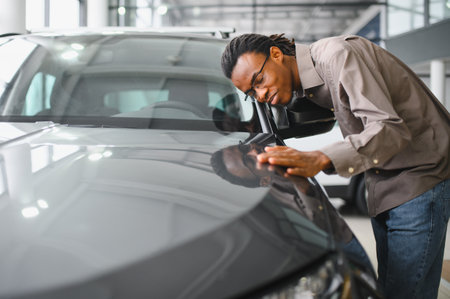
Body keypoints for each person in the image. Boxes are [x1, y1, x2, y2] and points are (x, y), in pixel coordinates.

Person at [221, 33, 450, 299]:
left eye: (259, 81)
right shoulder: (308, 83)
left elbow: (388, 128)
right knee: (390, 288)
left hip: (419, 175)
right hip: (384, 181)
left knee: (405, 292)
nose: (260, 95)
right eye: (251, 93)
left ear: (275, 54)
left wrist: (320, 158)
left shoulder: (337, 55)